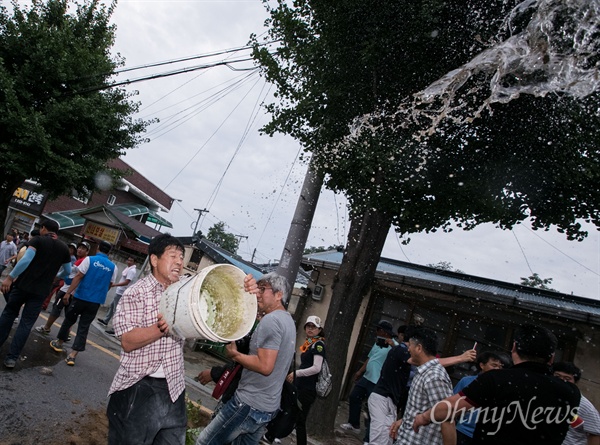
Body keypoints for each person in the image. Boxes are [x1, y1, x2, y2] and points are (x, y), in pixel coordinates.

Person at [412, 324, 582, 445]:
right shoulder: (571, 392)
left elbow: (451, 407)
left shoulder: (497, 379)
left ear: (514, 348)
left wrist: (424, 417)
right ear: (551, 358)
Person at [198, 272, 296, 445]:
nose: (257, 293)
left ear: (279, 295)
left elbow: (265, 366)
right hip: (267, 408)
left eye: (263, 289)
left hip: (247, 405)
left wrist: (235, 355)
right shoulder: (288, 321)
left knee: (205, 442)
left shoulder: (271, 320)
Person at [107, 234, 186, 444]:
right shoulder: (137, 292)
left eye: (181, 257)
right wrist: (163, 327)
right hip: (138, 386)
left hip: (174, 386)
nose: (179, 261)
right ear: (154, 260)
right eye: (173, 256)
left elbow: (213, 294)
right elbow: (128, 341)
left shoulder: (185, 293)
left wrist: (246, 288)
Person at [0, 219, 71, 368]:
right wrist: (55, 275)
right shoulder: (64, 248)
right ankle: (11, 358)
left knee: (9, 314)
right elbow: (68, 272)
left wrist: (10, 277)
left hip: (23, 286)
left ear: (44, 229)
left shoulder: (38, 240)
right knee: (26, 324)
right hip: (41, 292)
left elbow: (26, 260)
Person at [49, 240, 117, 365]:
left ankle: (59, 343)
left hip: (80, 297)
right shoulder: (113, 267)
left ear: (98, 248)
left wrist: (68, 293)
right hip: (95, 302)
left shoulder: (89, 260)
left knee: (69, 320)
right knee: (84, 327)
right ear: (109, 251)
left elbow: (79, 276)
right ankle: (73, 355)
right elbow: (110, 284)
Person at [388, 326, 456, 445]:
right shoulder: (422, 371)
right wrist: (404, 421)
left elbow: (447, 419)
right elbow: (422, 409)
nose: (408, 350)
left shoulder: (434, 377)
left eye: (410, 346)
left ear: (419, 348)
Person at [271, 315, 326, 445]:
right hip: (300, 386)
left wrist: (297, 373)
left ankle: (275, 435)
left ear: (319, 330)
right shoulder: (309, 343)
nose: (310, 329)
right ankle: (274, 434)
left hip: (308, 389)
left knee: (298, 418)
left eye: (314, 327)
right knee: (291, 413)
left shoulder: (319, 345)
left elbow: (316, 368)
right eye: (308, 326)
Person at [341, 319, 398, 442]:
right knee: (354, 396)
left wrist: (392, 344)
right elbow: (370, 358)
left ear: (384, 332)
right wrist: (360, 371)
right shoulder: (377, 342)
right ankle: (354, 424)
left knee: (373, 410)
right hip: (367, 377)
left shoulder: (394, 345)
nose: (377, 332)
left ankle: (369, 437)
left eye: (379, 330)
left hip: (377, 381)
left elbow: (401, 352)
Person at [34, 241, 90, 336]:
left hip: (67, 290)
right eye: (79, 247)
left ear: (87, 252)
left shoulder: (83, 261)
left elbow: (76, 276)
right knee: (69, 314)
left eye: (83, 249)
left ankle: (47, 328)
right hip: (71, 291)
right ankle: (66, 334)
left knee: (57, 309)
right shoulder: (79, 260)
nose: (80, 250)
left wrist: (68, 290)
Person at [452, 352, 509, 445]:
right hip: (462, 431)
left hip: (486, 436)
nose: (497, 369)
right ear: (482, 365)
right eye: (494, 365)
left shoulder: (502, 387)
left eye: (500, 366)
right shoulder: (467, 381)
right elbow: (451, 407)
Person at [552, 361, 600, 445]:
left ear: (575, 382)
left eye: (567, 379)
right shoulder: (542, 396)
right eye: (557, 376)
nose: (561, 381)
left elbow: (595, 434)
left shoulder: (584, 406)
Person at [99, 256, 137, 334]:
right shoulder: (128, 268)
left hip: (122, 292)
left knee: (116, 310)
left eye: (131, 260)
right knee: (112, 306)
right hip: (119, 291)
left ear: (134, 262)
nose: (129, 261)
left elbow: (126, 282)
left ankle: (115, 328)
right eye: (128, 260)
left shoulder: (132, 271)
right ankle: (106, 320)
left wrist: (115, 285)